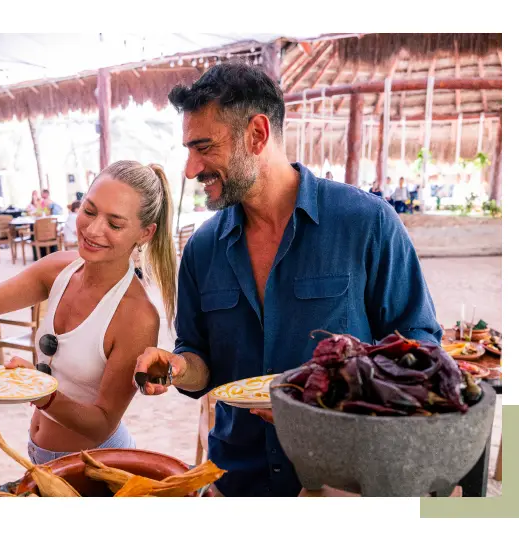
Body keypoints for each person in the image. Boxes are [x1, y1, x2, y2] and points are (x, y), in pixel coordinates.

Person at [134, 64, 442, 497]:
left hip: (344, 478)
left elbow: (421, 347)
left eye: (203, 147)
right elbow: (199, 359)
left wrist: (324, 405)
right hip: (235, 478)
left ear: (257, 134)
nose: (190, 169)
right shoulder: (202, 250)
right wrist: (178, 367)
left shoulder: (366, 222)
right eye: (188, 149)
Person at [0, 161, 177, 464]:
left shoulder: (137, 316)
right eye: (89, 211)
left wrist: (41, 392)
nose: (94, 230)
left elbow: (102, 423)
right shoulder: (58, 269)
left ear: (145, 233)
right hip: (39, 452)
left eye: (115, 224)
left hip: (94, 461)